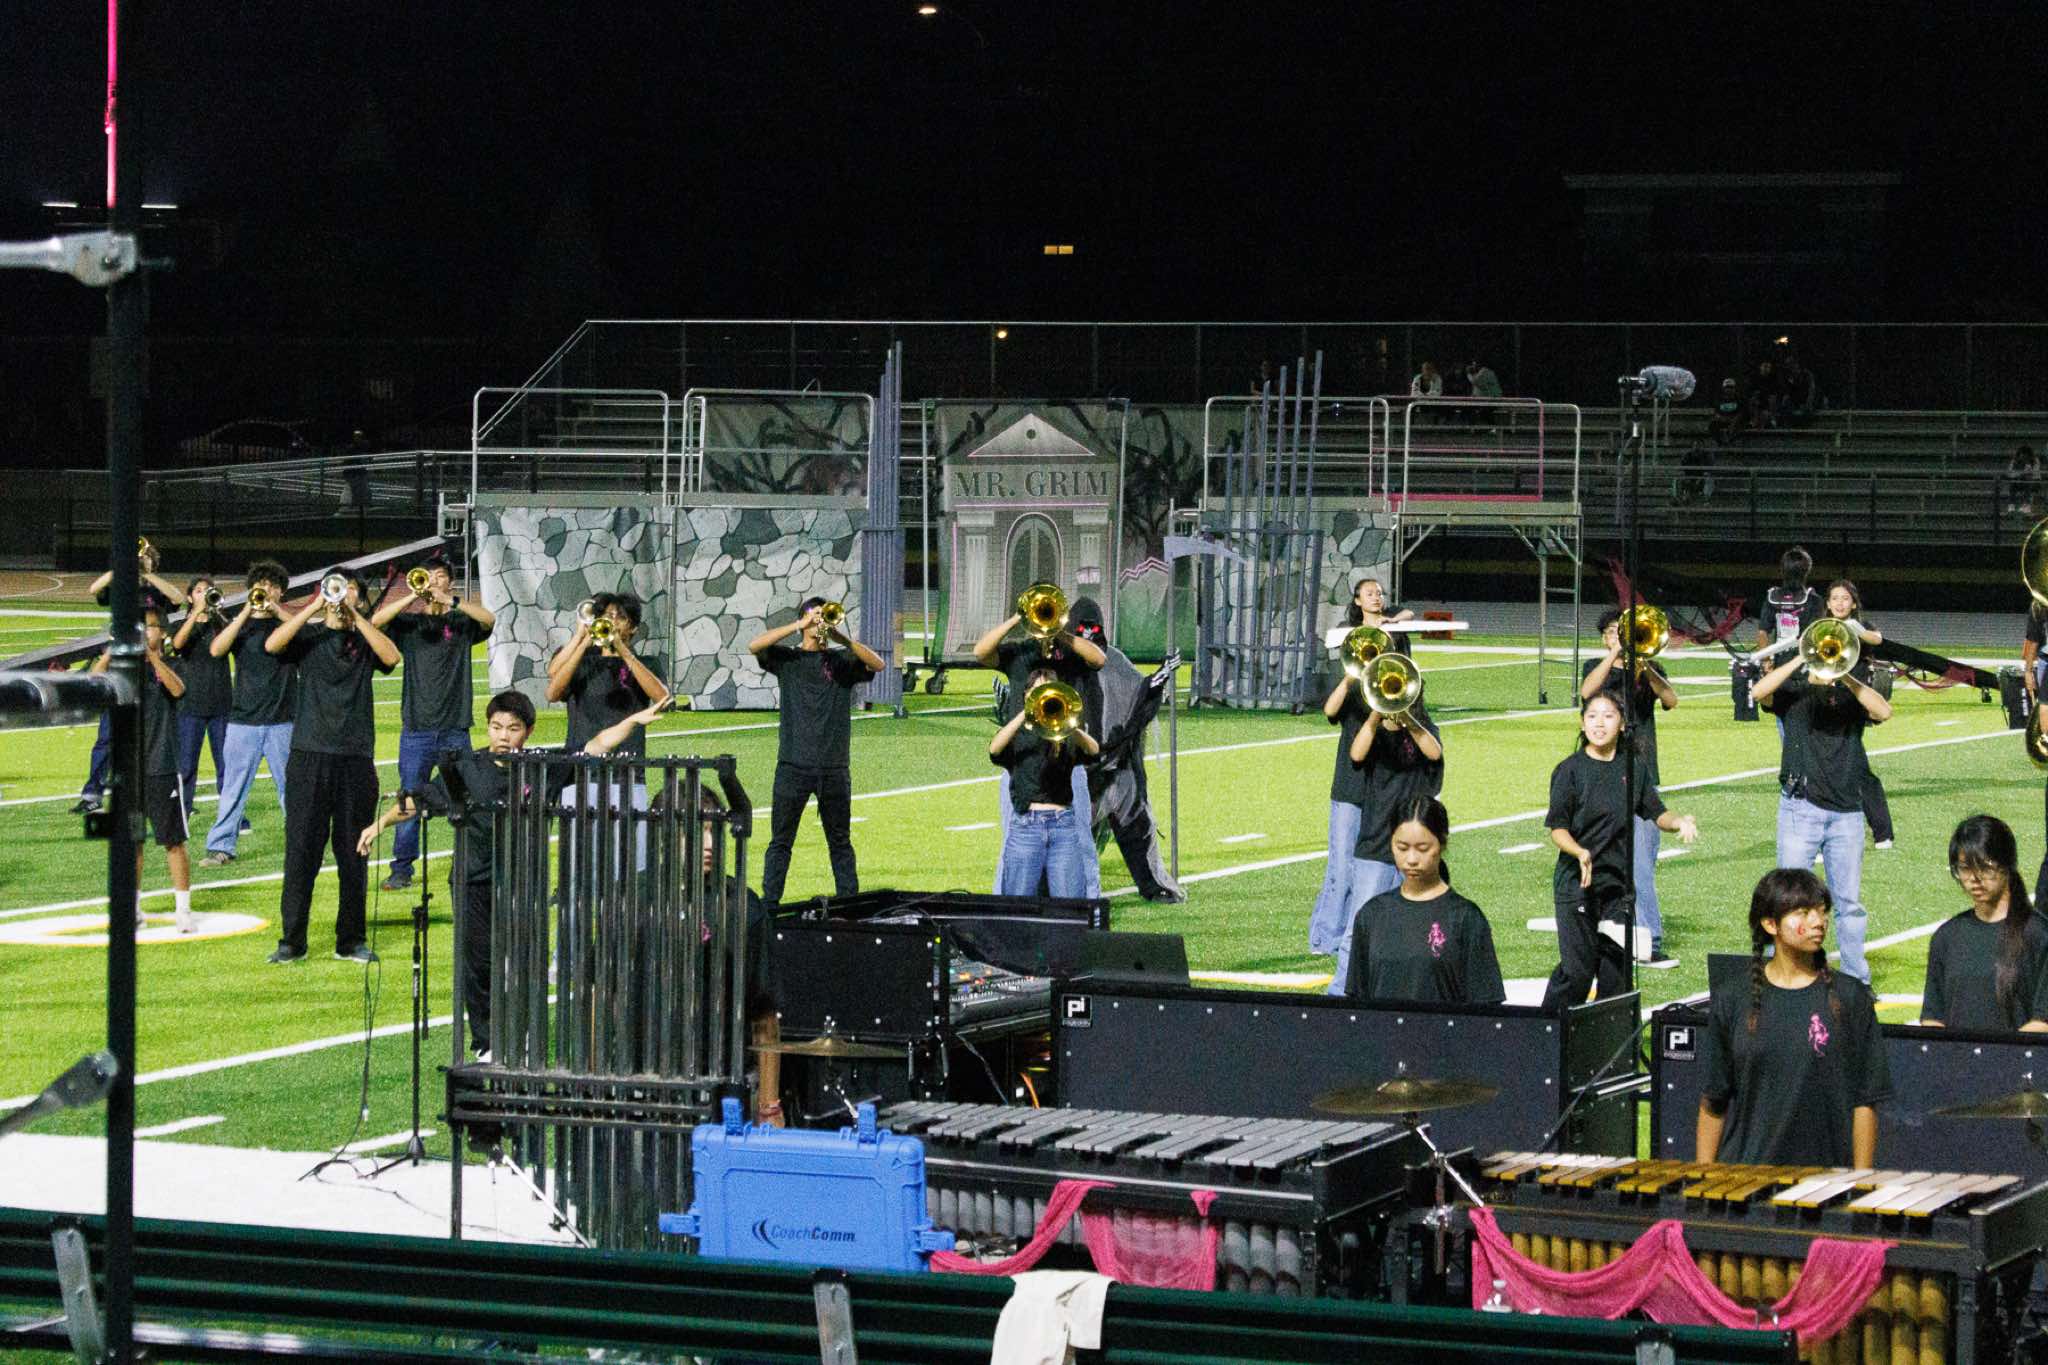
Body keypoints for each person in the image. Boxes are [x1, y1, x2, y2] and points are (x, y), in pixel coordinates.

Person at [356, 690, 665, 1059]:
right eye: (496, 727)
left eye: (513, 728)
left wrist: (632, 721)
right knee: (478, 965)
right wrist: (379, 825)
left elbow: (595, 746)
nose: (503, 736)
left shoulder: (542, 766)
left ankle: (525, 1034)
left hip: (524, 880)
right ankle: (486, 1042)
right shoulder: (466, 767)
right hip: (473, 880)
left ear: (528, 731)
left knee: (525, 961)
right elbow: (417, 801)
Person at [1697, 868, 1890, 1167]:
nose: (1818, 922)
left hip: (1828, 1180)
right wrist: (1703, 1177)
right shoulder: (1733, 998)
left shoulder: (1850, 997)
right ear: (1770, 924)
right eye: (1803, 912)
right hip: (1748, 1177)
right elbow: (1713, 1100)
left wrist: (1861, 1179)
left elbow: (1865, 1101)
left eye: (1822, 911)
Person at [264, 570, 399, 965]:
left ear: (359, 596)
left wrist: (355, 616)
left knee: (354, 851)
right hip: (309, 755)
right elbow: (273, 644)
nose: (342, 593)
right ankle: (292, 941)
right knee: (301, 851)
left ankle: (350, 940)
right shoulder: (309, 636)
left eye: (350, 588)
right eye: (336, 586)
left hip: (355, 758)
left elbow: (392, 657)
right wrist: (314, 610)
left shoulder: (365, 638)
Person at [1751, 619, 1892, 984]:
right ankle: (1783, 974)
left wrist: (1846, 676)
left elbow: (1883, 711)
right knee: (1787, 899)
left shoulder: (1850, 694)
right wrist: (1801, 658)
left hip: (1847, 812)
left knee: (1848, 904)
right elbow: (1759, 692)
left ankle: (1856, 979)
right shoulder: (1794, 692)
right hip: (1800, 808)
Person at [1539, 692, 1699, 1009]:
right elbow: (1558, 828)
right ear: (1582, 724)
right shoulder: (1570, 771)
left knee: (1616, 974)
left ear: (1623, 724)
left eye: (1608, 716)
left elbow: (1656, 812)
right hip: (1578, 884)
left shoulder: (1633, 768)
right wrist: (1580, 852)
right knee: (1578, 972)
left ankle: (1610, 1036)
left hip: (1617, 889)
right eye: (1592, 716)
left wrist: (1678, 821)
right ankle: (1548, 1028)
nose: (1599, 723)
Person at [370, 553, 496, 892]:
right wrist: (412, 596)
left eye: (439, 575)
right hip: (417, 729)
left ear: (449, 581)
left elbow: (489, 619)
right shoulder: (409, 624)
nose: (433, 581)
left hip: (456, 728)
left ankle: (469, 862)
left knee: (465, 798)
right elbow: (376, 622)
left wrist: (450, 600)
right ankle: (401, 868)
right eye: (427, 576)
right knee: (409, 797)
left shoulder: (461, 622)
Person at [746, 597, 883, 905]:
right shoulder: (787, 659)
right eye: (815, 615)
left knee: (840, 843)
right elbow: (754, 646)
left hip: (834, 768)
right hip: (792, 766)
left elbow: (878, 664)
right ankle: (769, 907)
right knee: (781, 842)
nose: (819, 620)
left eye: (824, 615)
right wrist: (799, 624)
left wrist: (841, 638)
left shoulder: (841, 661)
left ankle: (849, 906)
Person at [975, 587, 1107, 891]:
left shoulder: (1069, 654)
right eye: (1039, 613)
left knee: (1082, 843)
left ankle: (1089, 909)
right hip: (1021, 758)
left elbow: (1099, 659)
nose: (1043, 620)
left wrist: (1062, 633)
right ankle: (1006, 908)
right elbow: (981, 652)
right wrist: (1017, 619)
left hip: (1066, 756)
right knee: (1013, 842)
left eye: (1047, 612)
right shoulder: (1019, 654)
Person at [1580, 608, 1681, 968]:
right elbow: (1586, 692)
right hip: (1600, 778)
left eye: (1621, 632)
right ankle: (1601, 934)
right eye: (1613, 632)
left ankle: (1650, 939)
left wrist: (1646, 664)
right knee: (1599, 863)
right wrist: (1614, 655)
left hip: (1641, 777)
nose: (1619, 638)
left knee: (1640, 866)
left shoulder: (1650, 669)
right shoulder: (1596, 666)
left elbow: (1671, 700)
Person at [1065, 596, 1183, 902]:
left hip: (1115, 765)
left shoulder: (1114, 660)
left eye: (1093, 630)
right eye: (1081, 630)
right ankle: (1052, 890)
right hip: (1073, 769)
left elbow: (1138, 695)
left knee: (1137, 823)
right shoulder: (1060, 662)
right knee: (1063, 833)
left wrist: (1157, 681)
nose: (1088, 636)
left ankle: (1153, 884)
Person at [1332, 689, 1444, 995]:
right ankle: (1339, 994)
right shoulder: (1373, 733)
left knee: (1412, 928)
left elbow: (1434, 752)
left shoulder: (1423, 728)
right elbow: (1356, 754)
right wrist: (1374, 716)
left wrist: (1408, 719)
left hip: (1415, 847)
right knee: (1359, 928)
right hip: (1376, 843)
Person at [1342, 796, 1503, 1006]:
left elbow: (1486, 1007)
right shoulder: (1371, 915)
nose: (1411, 859)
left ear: (1442, 844)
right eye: (1402, 847)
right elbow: (1356, 1004)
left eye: (1423, 848)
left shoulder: (1466, 918)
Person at [94, 606, 197, 933]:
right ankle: (132, 910)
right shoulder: (122, 669)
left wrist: (151, 657)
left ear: (162, 633)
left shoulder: (171, 664)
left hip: (161, 766)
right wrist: (113, 650)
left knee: (173, 841)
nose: (144, 632)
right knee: (132, 841)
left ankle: (183, 911)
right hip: (128, 771)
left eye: (150, 627)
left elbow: (178, 689)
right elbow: (94, 682)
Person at [73, 542, 187, 815]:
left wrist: (147, 573)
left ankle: (159, 790)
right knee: (107, 737)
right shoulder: (121, 586)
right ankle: (92, 794)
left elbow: (178, 598)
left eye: (143, 557)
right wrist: (123, 566)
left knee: (154, 736)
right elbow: (93, 589)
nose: (139, 560)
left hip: (152, 667)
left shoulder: (156, 591)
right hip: (122, 664)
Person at [199, 560, 295, 866]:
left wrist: (275, 610)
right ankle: (221, 846)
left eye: (273, 586)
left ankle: (301, 844)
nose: (266, 590)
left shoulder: (287, 626)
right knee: (233, 789)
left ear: (281, 592)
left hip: (283, 721)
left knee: (292, 789)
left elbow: (305, 630)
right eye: (260, 585)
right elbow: (217, 650)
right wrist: (244, 612)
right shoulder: (239, 627)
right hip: (243, 721)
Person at [1920, 815, 2048, 1033]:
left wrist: (1997, 1051)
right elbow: (1933, 1018)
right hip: (1956, 1055)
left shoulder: (2039, 935)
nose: (1974, 878)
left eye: (1984, 867)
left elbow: (2043, 1021)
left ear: (2007, 865)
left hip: (2017, 1055)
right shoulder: (1946, 937)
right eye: (1964, 868)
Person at [990, 666, 1102, 899]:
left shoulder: (1065, 736)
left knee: (1069, 906)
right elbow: (994, 749)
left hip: (1064, 826)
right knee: (1018, 905)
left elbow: (1094, 751)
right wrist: (1025, 712)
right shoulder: (1018, 736)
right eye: (1036, 691)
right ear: (1026, 695)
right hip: (1026, 827)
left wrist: (1071, 725)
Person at [546, 591, 669, 757]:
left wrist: (622, 650)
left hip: (627, 764)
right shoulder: (582, 660)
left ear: (633, 628)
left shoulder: (647, 664)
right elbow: (552, 693)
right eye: (608, 616)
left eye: (621, 617)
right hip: (581, 762)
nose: (613, 622)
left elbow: (663, 699)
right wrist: (583, 640)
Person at [1820, 579, 1893, 850]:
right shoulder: (1821, 628)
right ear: (1828, 604)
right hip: (1823, 700)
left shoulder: (1861, 625)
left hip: (1853, 699)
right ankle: (1830, 836)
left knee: (1856, 766)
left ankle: (1882, 831)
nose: (1840, 603)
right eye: (1835, 599)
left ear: (1853, 603)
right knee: (1830, 768)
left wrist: (1858, 631)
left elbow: (1878, 639)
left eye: (1845, 599)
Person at [169, 575, 235, 820]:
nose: (204, 594)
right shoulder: (181, 623)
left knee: (226, 766)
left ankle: (232, 817)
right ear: (189, 597)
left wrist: (217, 613)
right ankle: (182, 815)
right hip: (190, 706)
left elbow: (235, 639)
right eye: (198, 591)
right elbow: (178, 644)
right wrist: (196, 613)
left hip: (221, 705)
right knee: (186, 766)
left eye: (208, 590)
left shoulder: (221, 623)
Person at [1754, 545, 1823, 654]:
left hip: (1781, 660)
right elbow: (1815, 636)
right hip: (1805, 659)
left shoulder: (1773, 597)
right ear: (1807, 570)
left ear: (1782, 570)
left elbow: (1762, 633)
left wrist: (1766, 660)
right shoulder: (1814, 600)